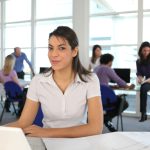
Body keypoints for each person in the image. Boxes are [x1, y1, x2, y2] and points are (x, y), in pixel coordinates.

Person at [5, 26, 103, 138]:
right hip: (48, 143)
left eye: (61, 48)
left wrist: (46, 132)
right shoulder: (38, 81)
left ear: (74, 51)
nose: (53, 54)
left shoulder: (90, 80)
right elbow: (23, 123)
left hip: (80, 142)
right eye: (51, 48)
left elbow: (96, 128)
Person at [94, 53, 134, 132]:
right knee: (124, 103)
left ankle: (106, 118)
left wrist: (111, 86)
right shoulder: (107, 69)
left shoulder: (96, 68)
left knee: (112, 103)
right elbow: (119, 81)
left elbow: (100, 83)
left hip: (96, 96)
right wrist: (128, 86)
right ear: (109, 61)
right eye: (112, 61)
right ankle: (106, 118)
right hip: (105, 98)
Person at [136, 41, 150, 122]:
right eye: (144, 50)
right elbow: (139, 73)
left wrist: (145, 81)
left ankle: (143, 114)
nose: (146, 52)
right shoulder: (138, 61)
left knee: (143, 87)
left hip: (149, 80)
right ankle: (143, 113)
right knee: (143, 88)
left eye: (148, 50)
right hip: (147, 81)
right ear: (141, 50)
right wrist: (140, 78)